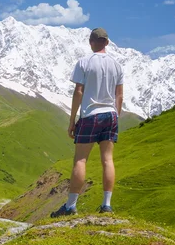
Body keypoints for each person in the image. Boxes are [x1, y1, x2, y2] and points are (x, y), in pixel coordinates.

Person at [51, 27, 124, 217]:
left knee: (80, 160)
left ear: (91, 42)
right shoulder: (117, 65)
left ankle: (70, 206)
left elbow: (79, 92)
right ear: (107, 42)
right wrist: (116, 116)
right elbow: (119, 95)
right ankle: (106, 205)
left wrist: (72, 119)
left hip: (90, 114)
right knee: (107, 160)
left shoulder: (84, 62)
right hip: (111, 114)